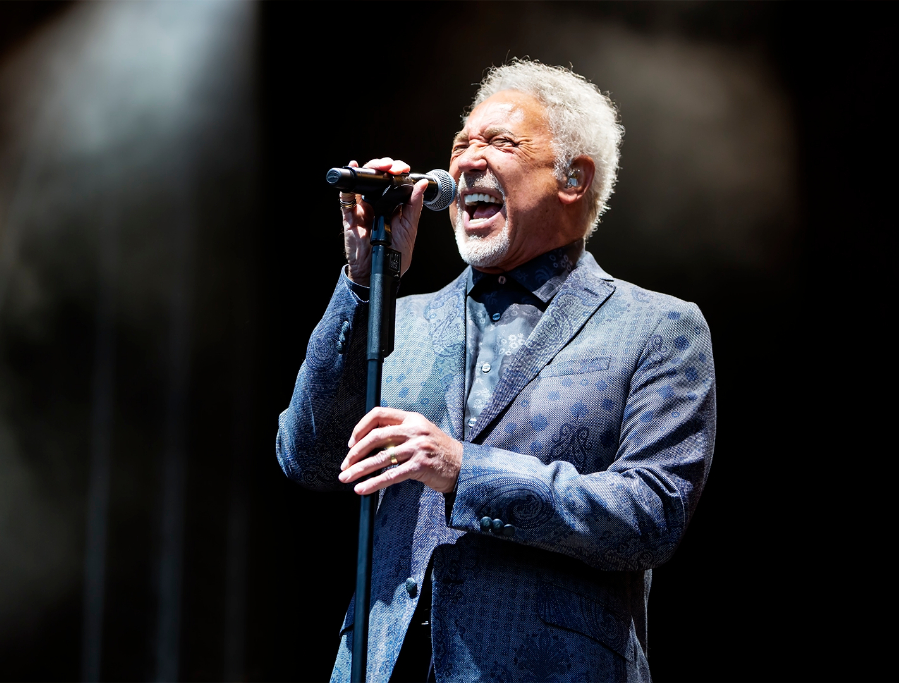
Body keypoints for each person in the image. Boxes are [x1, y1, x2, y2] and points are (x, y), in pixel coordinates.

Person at [276, 59, 716, 683]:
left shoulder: (655, 326)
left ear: (573, 178)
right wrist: (365, 280)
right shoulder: (401, 318)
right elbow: (309, 458)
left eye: (501, 142)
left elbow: (651, 514)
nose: (466, 162)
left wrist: (466, 470)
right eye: (460, 145)